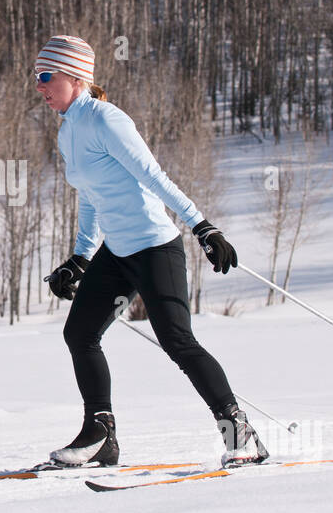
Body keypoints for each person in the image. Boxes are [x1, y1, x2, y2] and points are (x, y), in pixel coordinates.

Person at [36, 34, 267, 468]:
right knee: (80, 334)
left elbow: (153, 177)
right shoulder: (69, 130)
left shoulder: (106, 120)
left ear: (75, 76)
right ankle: (100, 434)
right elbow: (89, 195)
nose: (39, 85)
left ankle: (241, 435)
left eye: (46, 75)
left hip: (155, 246)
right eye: (36, 77)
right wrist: (81, 256)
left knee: (178, 342)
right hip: (117, 251)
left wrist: (202, 226)